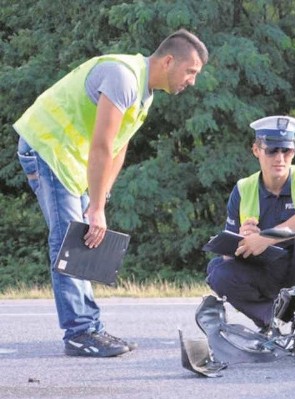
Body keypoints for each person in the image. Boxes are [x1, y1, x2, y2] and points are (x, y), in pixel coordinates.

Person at [14, 29, 208, 357]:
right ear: (169, 61)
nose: (192, 81)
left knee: (84, 236)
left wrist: (99, 199)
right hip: (47, 147)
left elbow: (118, 147)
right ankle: (81, 333)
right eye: (190, 72)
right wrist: (97, 211)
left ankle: (90, 328)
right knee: (69, 240)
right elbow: (102, 144)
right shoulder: (124, 77)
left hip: (70, 160)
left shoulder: (144, 94)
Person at [206, 115, 295, 332]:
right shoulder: (243, 188)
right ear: (256, 150)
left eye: (286, 151)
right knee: (217, 270)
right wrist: (242, 241)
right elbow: (227, 256)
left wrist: (266, 237)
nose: (280, 158)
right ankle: (269, 318)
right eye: (272, 150)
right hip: (268, 271)